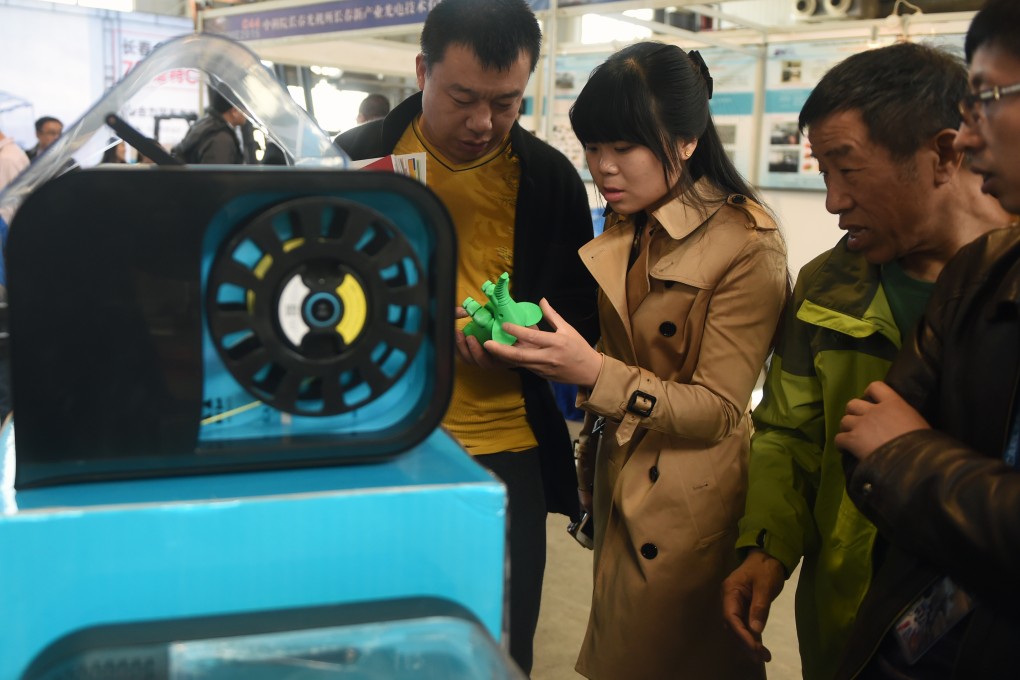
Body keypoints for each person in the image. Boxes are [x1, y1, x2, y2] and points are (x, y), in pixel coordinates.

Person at [485, 42, 788, 679]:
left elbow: (719, 409)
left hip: (690, 509)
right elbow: (624, 351)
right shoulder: (628, 228)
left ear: (685, 140)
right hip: (621, 486)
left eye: (623, 148)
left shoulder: (747, 245)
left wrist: (591, 373)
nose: (603, 167)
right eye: (594, 148)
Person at [721, 41, 1011, 680]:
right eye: (823, 172)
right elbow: (789, 434)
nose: (831, 200)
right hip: (846, 617)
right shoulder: (826, 285)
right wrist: (767, 546)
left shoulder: (1006, 288)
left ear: (941, 153)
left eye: (847, 169)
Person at [334, 0, 598, 673]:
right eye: (463, 98)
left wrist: (525, 332)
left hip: (506, 447)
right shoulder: (353, 163)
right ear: (422, 71)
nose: (484, 123)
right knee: (372, 638)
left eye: (506, 103)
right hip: (379, 442)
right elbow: (309, 301)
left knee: (500, 644)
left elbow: (575, 308)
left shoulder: (549, 179)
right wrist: (419, 325)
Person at [834, 1, 1020, 677]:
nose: (969, 139)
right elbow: (862, 447)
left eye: (986, 100)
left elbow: (892, 448)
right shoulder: (982, 275)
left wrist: (913, 454)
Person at [171, 87, 245, 164]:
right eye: (245, 110)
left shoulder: (205, 123)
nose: (247, 115)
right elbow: (217, 175)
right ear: (234, 111)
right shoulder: (221, 139)